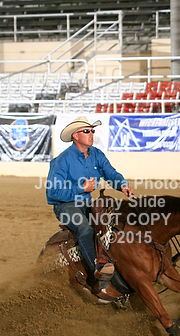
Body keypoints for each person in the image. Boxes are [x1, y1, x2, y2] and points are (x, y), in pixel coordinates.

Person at [46, 116, 134, 286]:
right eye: (86, 131)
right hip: (66, 206)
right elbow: (53, 191)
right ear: (75, 136)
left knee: (115, 223)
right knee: (85, 229)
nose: (91, 134)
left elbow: (110, 173)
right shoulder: (62, 160)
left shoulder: (97, 155)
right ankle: (98, 270)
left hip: (87, 203)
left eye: (92, 131)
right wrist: (81, 188)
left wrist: (122, 185)